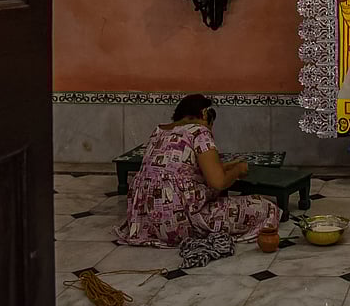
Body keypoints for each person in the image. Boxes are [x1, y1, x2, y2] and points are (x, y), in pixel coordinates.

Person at [115, 94, 281, 248]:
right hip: (180, 223)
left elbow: (179, 171)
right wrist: (238, 169)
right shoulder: (199, 131)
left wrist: (225, 166)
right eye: (211, 124)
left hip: (145, 223)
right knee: (265, 207)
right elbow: (218, 182)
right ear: (204, 113)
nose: (210, 130)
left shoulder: (160, 131)